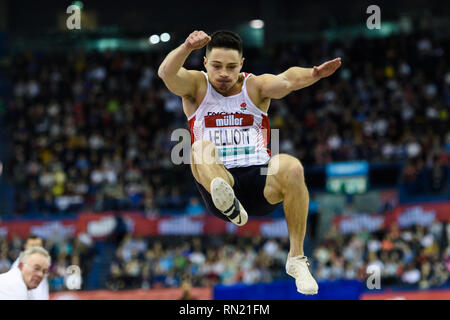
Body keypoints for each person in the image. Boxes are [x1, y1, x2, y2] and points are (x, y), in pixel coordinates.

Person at [158, 30, 341, 295]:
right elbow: (166, 73)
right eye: (217, 66)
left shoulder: (254, 86)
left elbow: (287, 80)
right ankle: (227, 198)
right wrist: (186, 47)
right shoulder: (196, 86)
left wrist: (313, 75)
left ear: (242, 64)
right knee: (199, 147)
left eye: (231, 67)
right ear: (205, 63)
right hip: (218, 179)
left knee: (291, 165)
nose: (224, 73)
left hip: (258, 181)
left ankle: (297, 259)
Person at [10, 235, 50, 300]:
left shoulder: (43, 264)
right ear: (25, 246)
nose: (36, 249)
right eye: (32, 246)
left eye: (38, 246)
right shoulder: (19, 265)